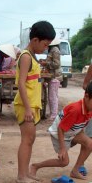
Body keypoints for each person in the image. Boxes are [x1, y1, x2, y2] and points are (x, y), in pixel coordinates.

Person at [13, 21, 56, 183]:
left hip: (32, 104)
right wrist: (29, 109)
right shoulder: (25, 57)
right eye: (45, 44)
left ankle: (25, 173)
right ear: (35, 40)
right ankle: (21, 176)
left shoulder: (32, 57)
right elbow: (21, 84)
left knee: (30, 139)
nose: (46, 48)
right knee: (27, 139)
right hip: (26, 105)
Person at [29, 81, 92, 180]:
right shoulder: (76, 110)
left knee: (89, 144)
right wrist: (63, 149)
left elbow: (81, 125)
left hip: (72, 132)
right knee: (64, 162)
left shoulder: (89, 108)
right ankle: (35, 166)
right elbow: (60, 129)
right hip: (59, 134)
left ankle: (75, 171)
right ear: (87, 96)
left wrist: (82, 138)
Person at [40, 38, 62, 121]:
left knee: (52, 96)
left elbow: (56, 64)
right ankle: (53, 113)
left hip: (55, 76)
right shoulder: (53, 50)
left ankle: (54, 115)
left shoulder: (55, 50)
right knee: (52, 96)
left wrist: (46, 63)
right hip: (53, 76)